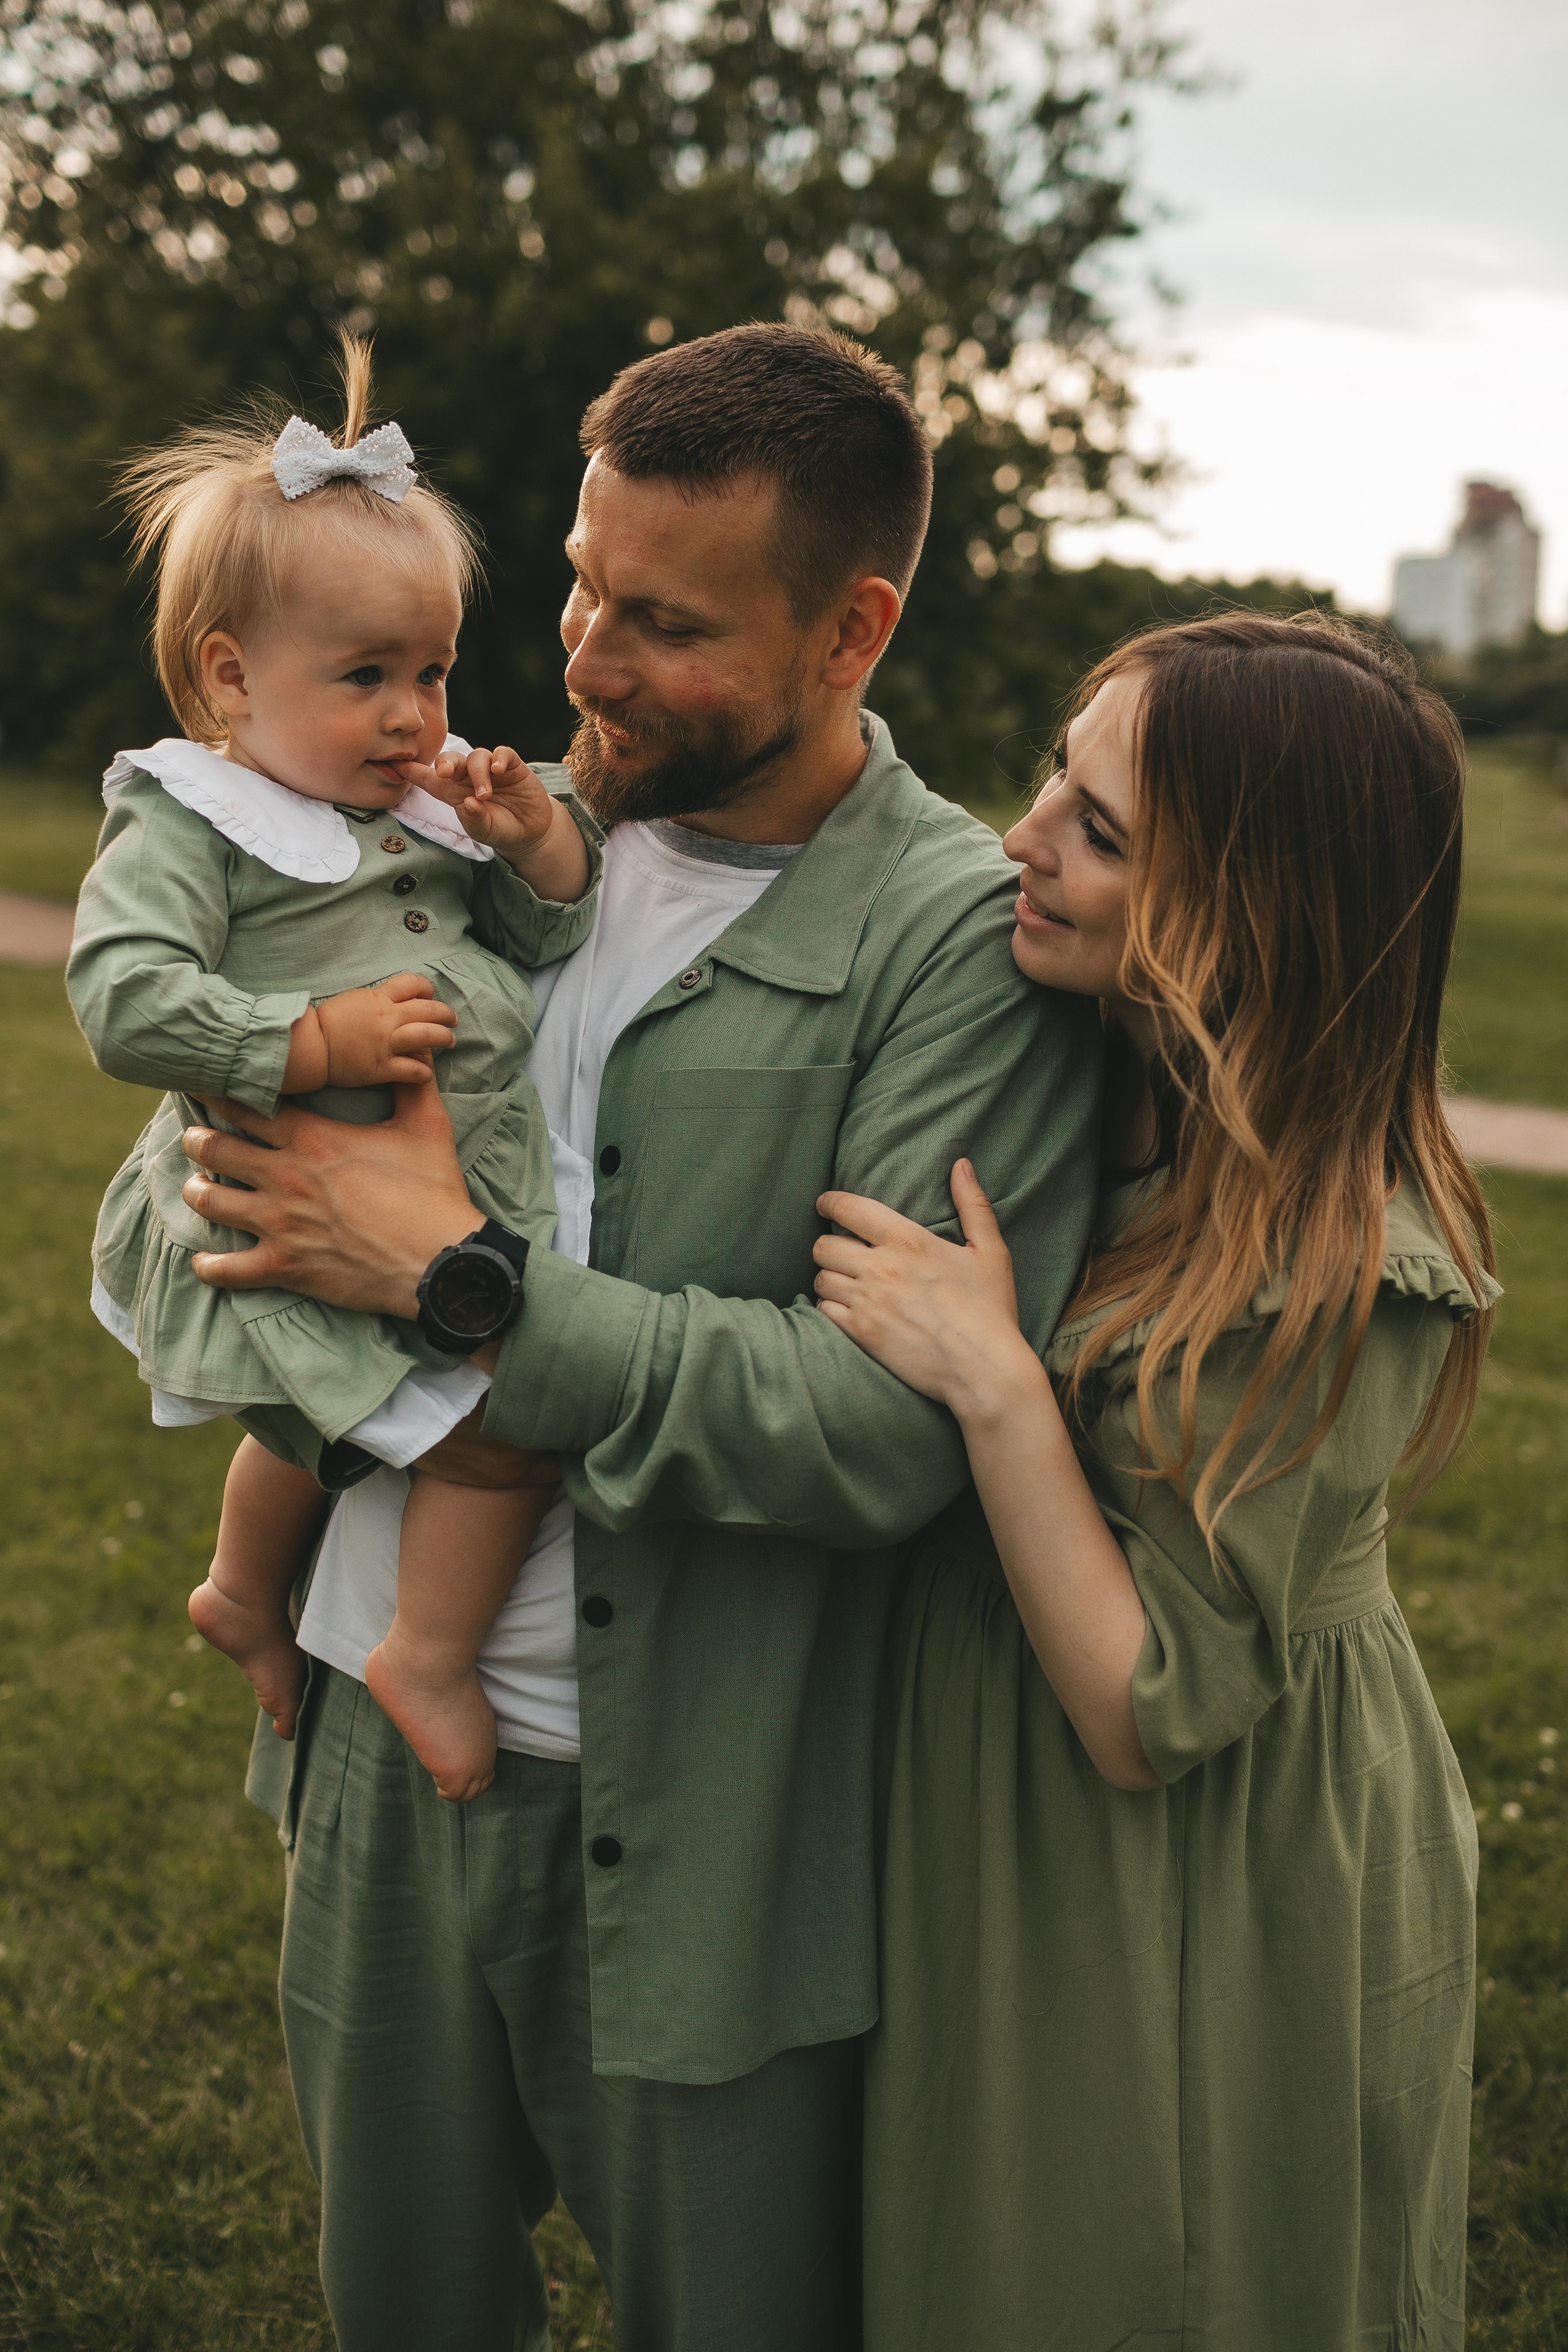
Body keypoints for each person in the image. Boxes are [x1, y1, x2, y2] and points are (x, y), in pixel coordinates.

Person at [165, 322, 1102, 2351]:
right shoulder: (501, 839)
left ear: (852, 627)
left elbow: (880, 1435)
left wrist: (460, 1285)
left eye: (660, 620)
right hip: (374, 1749)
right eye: (584, 582)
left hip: (694, 1816)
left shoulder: (955, 942)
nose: (581, 656)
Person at [811, 610, 1496, 2351]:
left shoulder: (1343, 1260)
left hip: (1198, 1839)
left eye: (1102, 832)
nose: (1022, 835)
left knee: (1149, 2261)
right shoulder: (1080, 1066)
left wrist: (997, 1386)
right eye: (1061, 774)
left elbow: (1142, 1707)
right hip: (993, 1800)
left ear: (1251, 917)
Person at [67, 334, 598, 1804]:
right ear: (230, 681)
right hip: (298, 1194)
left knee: (322, 1433)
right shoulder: (194, 822)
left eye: (430, 670)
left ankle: (244, 1591)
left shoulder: (422, 801)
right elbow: (119, 996)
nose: (413, 714)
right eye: (365, 675)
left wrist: (528, 838)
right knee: (500, 1431)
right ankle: (426, 1651)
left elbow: (552, 925)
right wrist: (305, 1042)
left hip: (434, 1181)